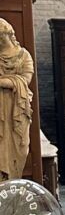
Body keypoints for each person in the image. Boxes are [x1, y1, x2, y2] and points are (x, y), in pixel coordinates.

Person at [0, 18, 33, 180]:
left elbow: (25, 80)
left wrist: (4, 82)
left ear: (7, 34)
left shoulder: (23, 55)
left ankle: (13, 182)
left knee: (21, 147)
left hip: (18, 109)